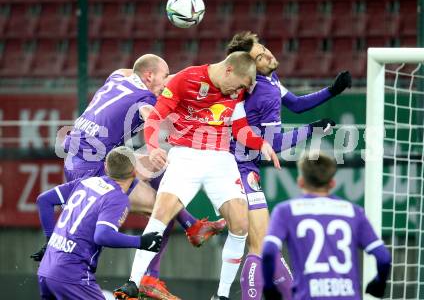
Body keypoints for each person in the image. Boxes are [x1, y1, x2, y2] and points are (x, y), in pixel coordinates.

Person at [31, 54, 226, 299]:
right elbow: (150, 117)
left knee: (159, 171)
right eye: (164, 77)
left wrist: (192, 75)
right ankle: (149, 277)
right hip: (94, 169)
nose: (167, 82)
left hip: (82, 158)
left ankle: (192, 226)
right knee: (160, 210)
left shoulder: (117, 78)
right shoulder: (144, 100)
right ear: (149, 76)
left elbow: (130, 70)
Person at [121, 51, 280, 300]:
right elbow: (155, 117)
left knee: (240, 225)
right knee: (160, 215)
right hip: (186, 156)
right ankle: (133, 282)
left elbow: (239, 129)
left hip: (221, 160)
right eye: (237, 85)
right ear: (228, 70)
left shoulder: (235, 90)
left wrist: (261, 144)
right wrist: (153, 149)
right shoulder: (186, 79)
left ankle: (222, 295)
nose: (235, 92)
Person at [221, 31, 350, 300]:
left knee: (266, 245)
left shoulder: (269, 79)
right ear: (250, 67)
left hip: (244, 165)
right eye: (260, 56)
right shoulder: (263, 92)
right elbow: (274, 145)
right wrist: (312, 130)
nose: (268, 54)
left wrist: (333, 91)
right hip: (236, 167)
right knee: (258, 247)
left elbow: (297, 104)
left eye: (264, 48)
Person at [36, 146, 163, 300]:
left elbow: (44, 200)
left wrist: (50, 240)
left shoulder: (85, 182)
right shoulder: (117, 197)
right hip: (72, 275)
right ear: (134, 172)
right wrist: (141, 241)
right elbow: (103, 235)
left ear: (105, 167)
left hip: (47, 268)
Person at [262, 151, 392, 300]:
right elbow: (384, 258)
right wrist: (379, 283)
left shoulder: (285, 211)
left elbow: (268, 252)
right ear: (332, 183)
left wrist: (269, 288)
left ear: (301, 182)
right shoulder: (354, 212)